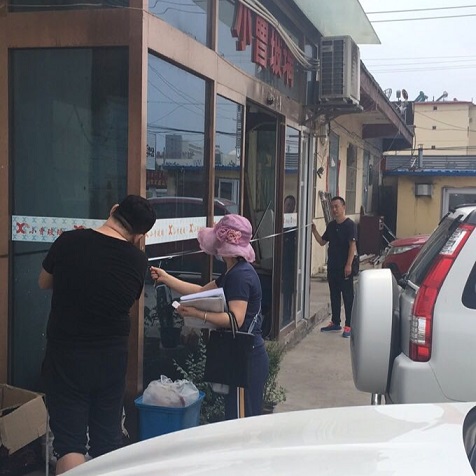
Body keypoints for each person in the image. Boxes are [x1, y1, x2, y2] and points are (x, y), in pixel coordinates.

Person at [38, 195, 156, 474]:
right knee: (107, 441)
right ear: (140, 235)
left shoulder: (68, 241)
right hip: (111, 359)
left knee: (70, 443)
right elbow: (128, 298)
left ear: (113, 210)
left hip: (66, 356)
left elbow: (44, 282)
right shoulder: (138, 261)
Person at [150, 214, 269, 420]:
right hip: (244, 355)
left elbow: (235, 319)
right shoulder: (235, 272)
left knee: (241, 421)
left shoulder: (239, 276)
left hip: (245, 359)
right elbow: (200, 291)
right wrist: (166, 278)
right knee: (238, 417)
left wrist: (198, 314)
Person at [312, 196, 357, 338]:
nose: (334, 209)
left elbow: (352, 246)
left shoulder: (350, 225)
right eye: (332, 207)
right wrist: (314, 230)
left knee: (348, 297)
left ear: (344, 207)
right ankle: (335, 322)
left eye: (337, 206)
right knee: (334, 295)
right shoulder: (331, 226)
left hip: (345, 268)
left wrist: (348, 265)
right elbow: (322, 242)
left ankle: (349, 325)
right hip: (333, 266)